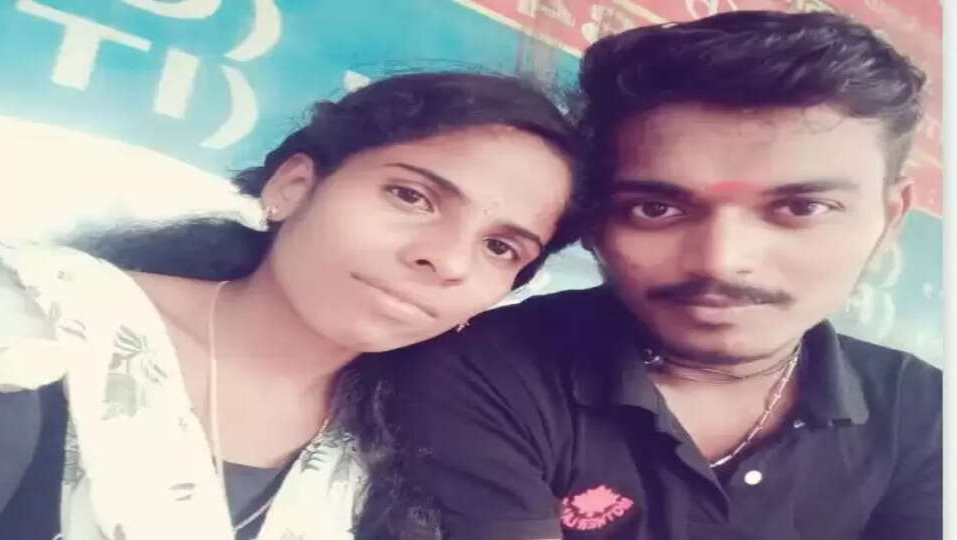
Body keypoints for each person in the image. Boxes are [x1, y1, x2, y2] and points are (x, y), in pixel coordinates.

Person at [369, 11, 941, 540]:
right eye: (655, 208)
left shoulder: (926, 412)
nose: (720, 261)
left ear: (889, 219)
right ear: (594, 220)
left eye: (801, 208)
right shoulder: (484, 374)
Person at [0, 72, 593, 540]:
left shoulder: (412, 443)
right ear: (293, 187)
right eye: (411, 196)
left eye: (500, 248)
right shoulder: (37, 330)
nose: (447, 260)